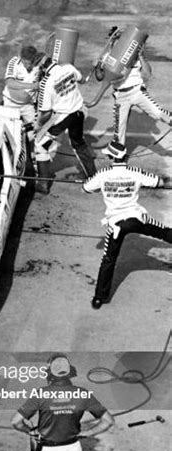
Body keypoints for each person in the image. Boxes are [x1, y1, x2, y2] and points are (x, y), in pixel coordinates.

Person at [83, 141, 172, 309]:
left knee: (108, 259)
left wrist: (101, 187)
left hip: (116, 224)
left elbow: (85, 188)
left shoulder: (103, 174)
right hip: (137, 218)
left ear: (110, 157)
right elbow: (159, 182)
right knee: (164, 232)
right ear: (126, 157)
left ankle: (99, 298)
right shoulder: (135, 172)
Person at [34, 58, 97, 193]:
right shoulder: (68, 67)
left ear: (42, 68)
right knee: (78, 144)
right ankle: (94, 178)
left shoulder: (46, 83)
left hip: (64, 116)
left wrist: (39, 125)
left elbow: (45, 112)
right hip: (79, 111)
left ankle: (43, 183)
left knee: (39, 144)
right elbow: (82, 80)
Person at [103, 49, 171, 156]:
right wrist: (98, 65)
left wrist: (141, 56)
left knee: (158, 112)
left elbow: (147, 74)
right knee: (119, 132)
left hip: (137, 91)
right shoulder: (108, 56)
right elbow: (100, 77)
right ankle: (118, 162)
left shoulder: (135, 54)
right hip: (120, 96)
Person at [3, 46, 44, 140]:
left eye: (31, 63)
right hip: (10, 103)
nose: (29, 66)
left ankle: (31, 151)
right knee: (7, 133)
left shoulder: (39, 63)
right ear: (21, 58)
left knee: (35, 132)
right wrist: (33, 86)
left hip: (28, 105)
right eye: (25, 63)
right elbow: (10, 83)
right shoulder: (14, 62)